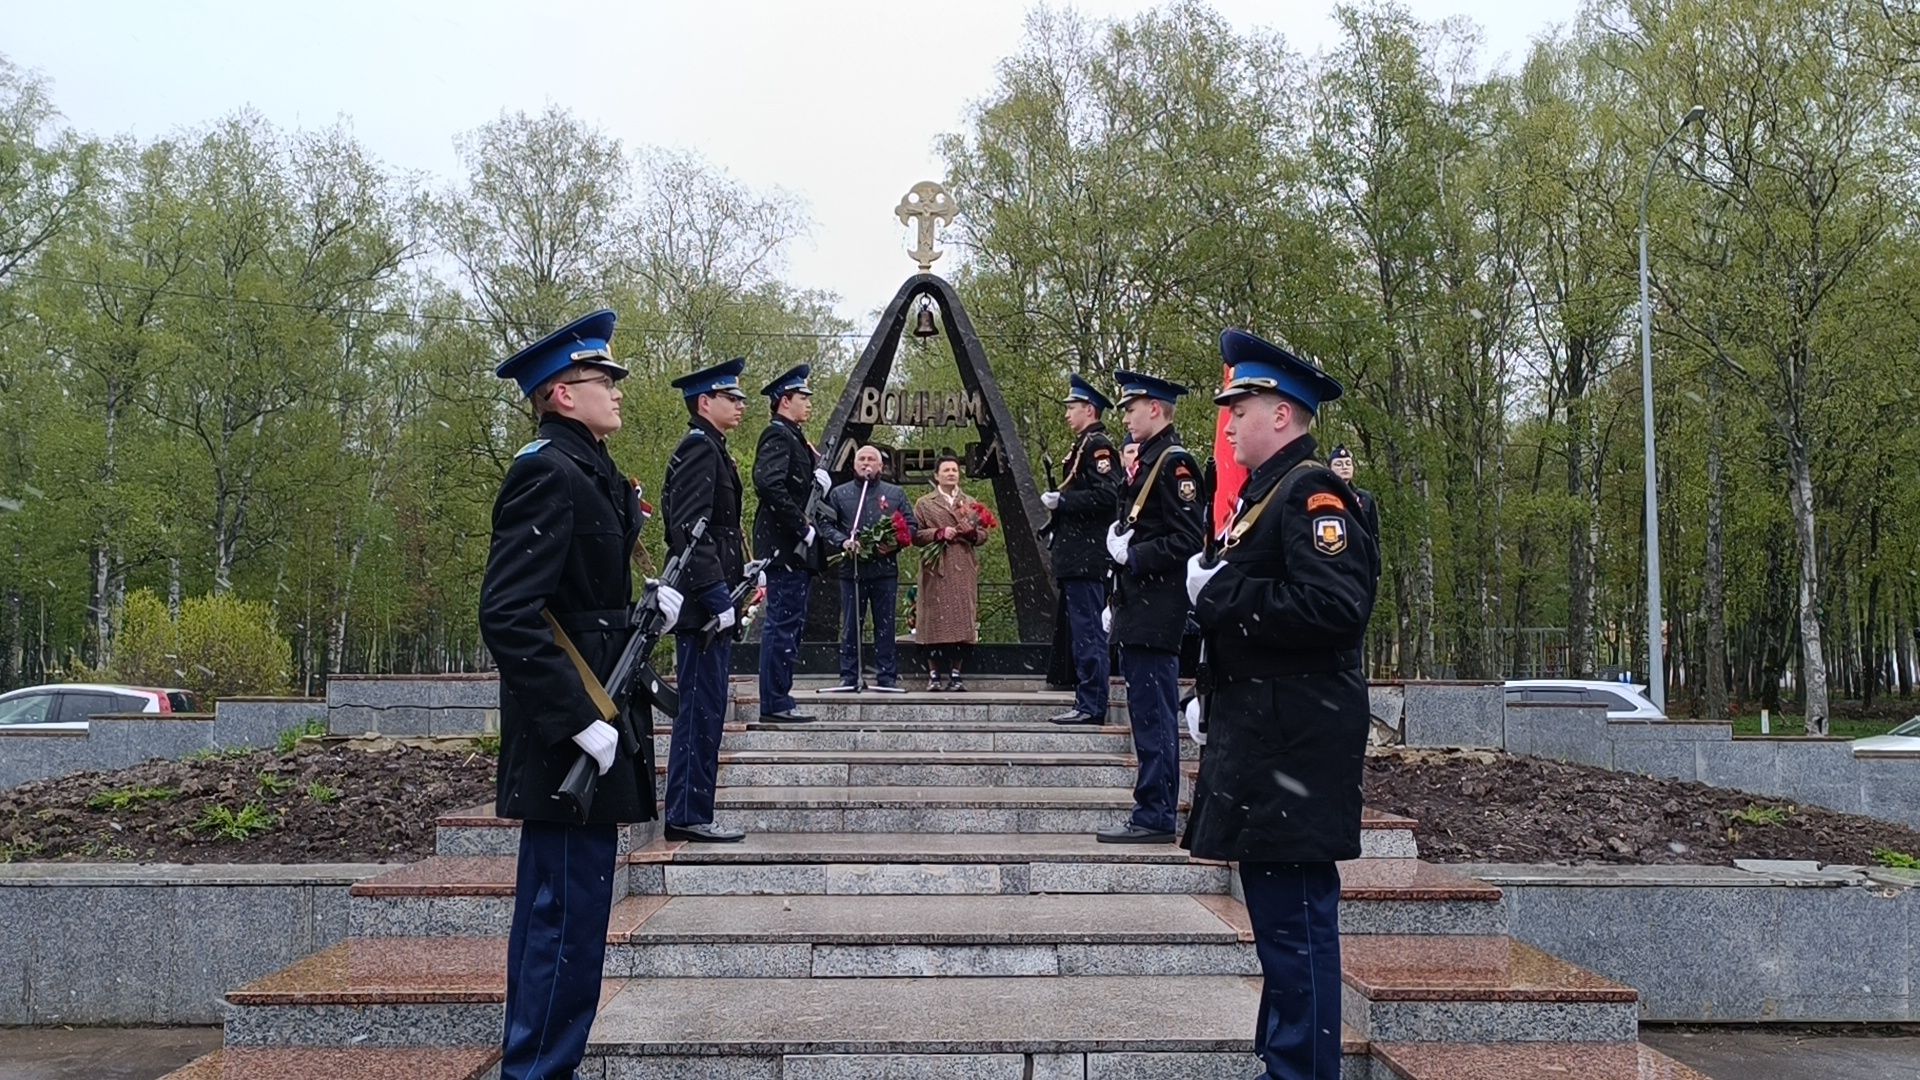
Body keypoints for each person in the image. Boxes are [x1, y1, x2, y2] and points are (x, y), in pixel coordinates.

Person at [481, 309, 678, 1080]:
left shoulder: (591, 470)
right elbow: (508, 614)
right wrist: (575, 720)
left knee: (578, 921)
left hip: (601, 716)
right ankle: (535, 1073)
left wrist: (648, 613)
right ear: (563, 394)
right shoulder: (547, 470)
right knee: (561, 924)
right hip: (572, 734)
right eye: (605, 382)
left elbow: (579, 605)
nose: (618, 393)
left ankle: (547, 1067)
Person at [1182, 329, 1377, 1080]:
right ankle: (1284, 1064)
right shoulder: (1266, 495)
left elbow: (1335, 607)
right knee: (1278, 926)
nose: (1227, 423)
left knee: (1296, 926)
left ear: (1283, 415)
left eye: (1242, 407)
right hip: (1267, 741)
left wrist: (1222, 593)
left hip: (1295, 745)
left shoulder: (1312, 493)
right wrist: (1210, 691)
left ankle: (1302, 1073)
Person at [1099, 371, 1204, 843]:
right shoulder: (1150, 461)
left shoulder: (1175, 463)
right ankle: (1151, 808)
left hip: (1157, 607)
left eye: (1131, 407)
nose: (1126, 415)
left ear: (1156, 409)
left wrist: (1135, 556)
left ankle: (1156, 813)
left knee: (1155, 714)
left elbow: (1186, 538)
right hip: (1137, 604)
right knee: (1144, 712)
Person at [660, 356, 751, 843]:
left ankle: (691, 809)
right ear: (704, 402)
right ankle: (687, 814)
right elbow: (689, 533)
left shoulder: (712, 448)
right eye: (730, 398)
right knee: (699, 710)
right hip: (701, 608)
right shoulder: (700, 450)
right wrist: (717, 596)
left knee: (706, 709)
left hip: (709, 604)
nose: (739, 405)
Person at [752, 363, 831, 724]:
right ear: (785, 401)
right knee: (783, 624)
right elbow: (769, 484)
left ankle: (780, 694)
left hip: (793, 549)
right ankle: (775, 701)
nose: (808, 403)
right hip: (786, 547)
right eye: (803, 397)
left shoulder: (795, 437)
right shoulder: (778, 435)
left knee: (791, 623)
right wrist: (801, 525)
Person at [1043, 374, 1121, 725]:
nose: (1066, 414)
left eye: (1071, 408)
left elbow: (1107, 496)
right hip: (1076, 555)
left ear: (1089, 409)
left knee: (1089, 632)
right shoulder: (1083, 444)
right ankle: (1086, 699)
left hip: (1088, 556)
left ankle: (1092, 703)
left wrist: (1065, 501)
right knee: (1082, 632)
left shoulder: (1098, 446)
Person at [819, 445, 917, 692]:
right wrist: (843, 541)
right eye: (861, 459)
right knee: (851, 624)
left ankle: (887, 676)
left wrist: (890, 545)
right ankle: (849, 675)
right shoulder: (839, 494)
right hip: (852, 570)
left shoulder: (895, 493)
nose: (866, 463)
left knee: (885, 625)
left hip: (884, 571)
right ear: (854, 465)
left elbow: (911, 525)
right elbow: (825, 524)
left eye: (871, 459)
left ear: (881, 466)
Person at [913, 454, 989, 691]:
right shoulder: (924, 503)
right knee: (934, 621)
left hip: (962, 566)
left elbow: (984, 534)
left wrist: (971, 534)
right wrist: (938, 532)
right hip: (936, 568)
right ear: (936, 475)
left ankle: (956, 673)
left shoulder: (970, 502)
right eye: (946, 470)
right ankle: (934, 674)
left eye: (954, 470)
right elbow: (915, 535)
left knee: (962, 621)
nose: (951, 474)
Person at [1329, 444, 1381, 546]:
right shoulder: (1324, 497)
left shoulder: (1365, 498)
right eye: (1339, 464)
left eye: (1348, 464)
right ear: (1329, 469)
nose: (1344, 467)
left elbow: (1373, 534)